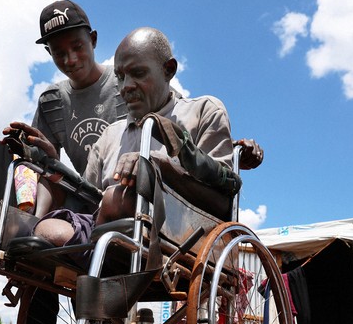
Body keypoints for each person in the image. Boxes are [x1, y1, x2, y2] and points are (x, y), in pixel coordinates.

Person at [2, 0, 125, 324]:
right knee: (37, 253)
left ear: (93, 40)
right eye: (58, 52)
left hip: (118, 205)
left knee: (87, 284)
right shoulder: (52, 103)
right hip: (76, 205)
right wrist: (36, 164)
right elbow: (47, 174)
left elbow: (171, 126)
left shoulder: (127, 86)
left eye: (77, 47)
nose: (70, 59)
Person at [35, 27, 252, 248]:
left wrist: (157, 169)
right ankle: (94, 252)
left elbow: (222, 202)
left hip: (176, 241)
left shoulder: (202, 112)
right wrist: (53, 166)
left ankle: (96, 254)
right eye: (120, 77)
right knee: (44, 230)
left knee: (116, 200)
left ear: (168, 70)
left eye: (138, 73)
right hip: (107, 231)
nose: (125, 87)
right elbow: (86, 204)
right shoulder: (110, 135)